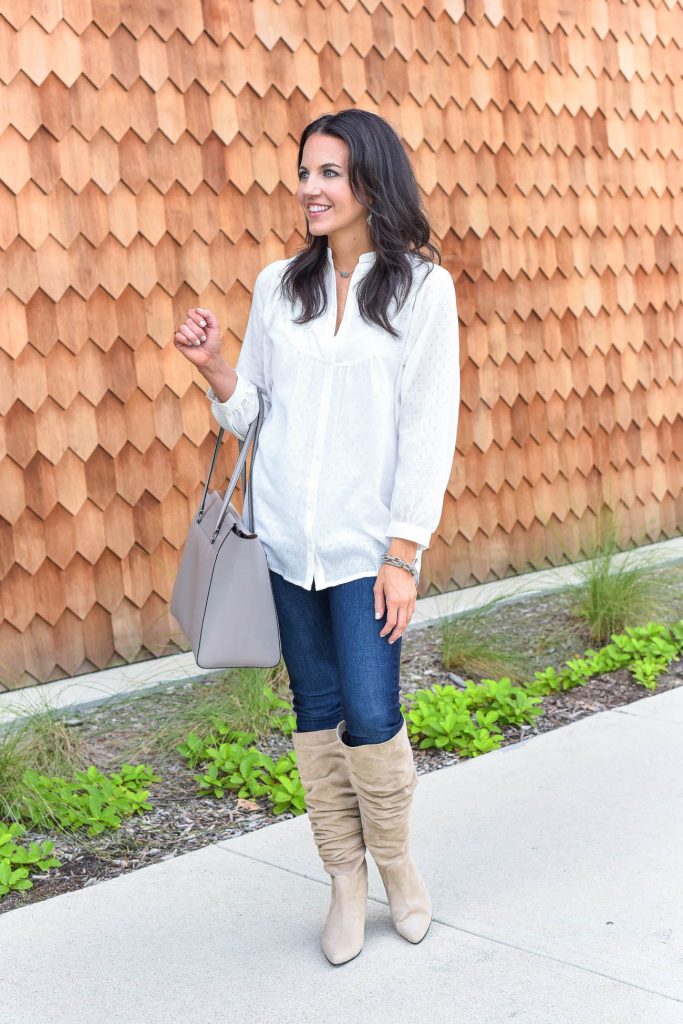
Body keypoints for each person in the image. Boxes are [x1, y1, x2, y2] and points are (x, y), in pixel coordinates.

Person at [173, 109, 460, 966]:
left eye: (329, 173)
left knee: (372, 716)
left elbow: (427, 425)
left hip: (367, 553)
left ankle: (398, 866)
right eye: (305, 172)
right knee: (315, 714)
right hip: (284, 545)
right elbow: (252, 410)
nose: (310, 188)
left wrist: (403, 552)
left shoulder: (420, 291)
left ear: (370, 180)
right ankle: (343, 880)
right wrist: (219, 366)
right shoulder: (277, 286)